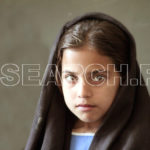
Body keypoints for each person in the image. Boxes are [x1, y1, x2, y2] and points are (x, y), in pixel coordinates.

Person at [25, 12, 150, 150]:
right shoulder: (46, 141)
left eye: (98, 78)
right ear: (58, 80)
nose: (83, 93)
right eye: (71, 78)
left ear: (125, 79)